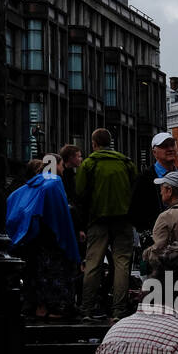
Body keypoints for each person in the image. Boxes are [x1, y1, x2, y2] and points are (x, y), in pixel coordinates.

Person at [75, 129, 137, 323]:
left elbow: (80, 193)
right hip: (124, 220)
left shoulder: (90, 163)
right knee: (122, 264)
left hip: (97, 220)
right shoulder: (126, 163)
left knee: (93, 264)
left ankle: (86, 309)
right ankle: (118, 310)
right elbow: (136, 190)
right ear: (111, 142)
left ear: (94, 144)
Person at [6, 166, 81, 319]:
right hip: (51, 240)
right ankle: (55, 308)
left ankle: (40, 307)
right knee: (54, 273)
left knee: (37, 273)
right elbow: (60, 218)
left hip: (34, 241)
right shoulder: (53, 183)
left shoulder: (27, 188)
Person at [129, 130, 178, 236]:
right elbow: (134, 212)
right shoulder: (143, 179)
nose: (170, 149)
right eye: (164, 146)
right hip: (156, 239)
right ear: (154, 152)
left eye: (172, 145)